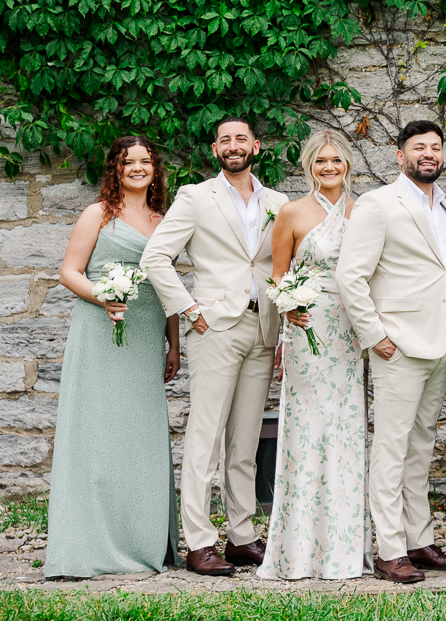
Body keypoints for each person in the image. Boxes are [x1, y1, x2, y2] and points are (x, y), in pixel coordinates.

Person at [142, 117, 287, 575]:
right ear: (214, 149)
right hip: (214, 328)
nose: (233, 145)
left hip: (262, 327)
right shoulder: (194, 196)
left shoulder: (279, 204)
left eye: (241, 138)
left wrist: (284, 329)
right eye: (225, 139)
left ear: (256, 147)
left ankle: (242, 537)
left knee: (244, 442)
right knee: (205, 438)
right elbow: (156, 257)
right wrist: (189, 310)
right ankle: (200, 542)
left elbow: (282, 269)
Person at [336, 120, 446, 584]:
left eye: (436, 146)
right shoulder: (377, 204)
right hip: (398, 344)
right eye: (419, 147)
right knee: (392, 448)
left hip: (444, 341)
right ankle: (389, 550)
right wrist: (376, 336)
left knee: (421, 446)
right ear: (400, 155)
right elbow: (350, 276)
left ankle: (420, 540)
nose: (429, 154)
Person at [45, 136, 180, 578]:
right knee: (98, 431)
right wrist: (103, 296)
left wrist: (173, 342)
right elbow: (69, 271)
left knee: (139, 432)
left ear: (155, 170)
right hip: (101, 332)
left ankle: (140, 540)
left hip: (146, 336)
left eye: (146, 162)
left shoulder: (165, 221)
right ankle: (89, 543)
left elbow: (168, 286)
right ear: (116, 169)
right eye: (129, 162)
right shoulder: (98, 214)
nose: (138, 168)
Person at [258, 130, 371, 580]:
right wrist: (290, 308)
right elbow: (276, 278)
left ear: (348, 165)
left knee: (345, 430)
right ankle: (298, 550)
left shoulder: (363, 212)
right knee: (308, 429)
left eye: (336, 161)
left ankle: (343, 548)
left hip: (349, 332)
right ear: (309, 165)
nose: (329, 168)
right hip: (307, 332)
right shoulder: (291, 213)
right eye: (321, 161)